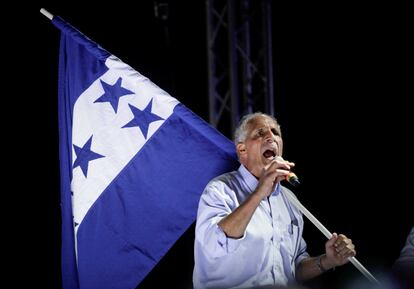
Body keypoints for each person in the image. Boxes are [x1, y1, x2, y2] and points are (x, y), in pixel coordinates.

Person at [193, 112, 356, 289]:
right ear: (242, 150)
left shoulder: (289, 199)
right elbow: (214, 246)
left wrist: (327, 261)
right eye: (260, 133)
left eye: (275, 133)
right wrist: (259, 192)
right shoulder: (219, 189)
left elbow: (293, 269)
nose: (271, 137)